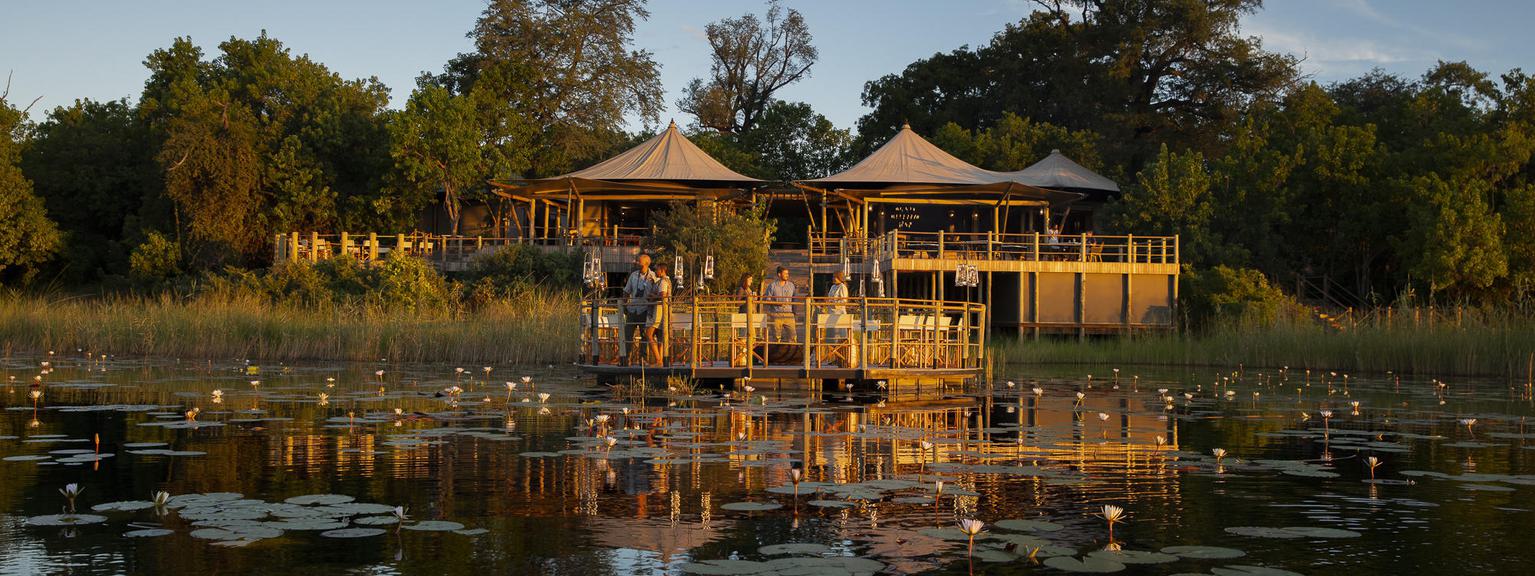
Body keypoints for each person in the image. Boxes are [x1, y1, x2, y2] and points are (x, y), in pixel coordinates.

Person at [620, 254, 656, 365]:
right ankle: (626, 359)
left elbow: (656, 292)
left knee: (644, 335)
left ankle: (642, 359)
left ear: (646, 263)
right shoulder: (633, 275)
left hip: (644, 309)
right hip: (632, 309)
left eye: (638, 261)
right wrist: (624, 304)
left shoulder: (653, 276)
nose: (636, 262)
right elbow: (627, 291)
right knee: (628, 334)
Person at [645, 263, 672, 366]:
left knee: (649, 334)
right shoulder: (664, 281)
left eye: (656, 270)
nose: (655, 272)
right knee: (660, 336)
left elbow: (663, 296)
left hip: (659, 311)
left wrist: (652, 295)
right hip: (660, 311)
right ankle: (659, 360)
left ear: (661, 270)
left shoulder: (663, 282)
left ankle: (658, 359)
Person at [762, 266, 797, 344]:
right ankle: (776, 354)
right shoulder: (772, 286)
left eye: (787, 273)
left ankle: (791, 354)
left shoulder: (791, 285)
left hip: (789, 314)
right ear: (779, 274)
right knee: (776, 338)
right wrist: (777, 303)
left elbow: (794, 299)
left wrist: (794, 312)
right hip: (776, 314)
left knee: (793, 336)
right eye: (785, 274)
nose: (787, 275)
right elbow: (767, 300)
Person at [824, 270, 850, 342]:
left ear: (839, 278)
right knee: (831, 334)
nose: (833, 278)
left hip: (839, 313)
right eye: (833, 277)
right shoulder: (833, 287)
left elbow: (844, 301)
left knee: (839, 334)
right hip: (831, 313)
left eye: (835, 277)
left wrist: (834, 303)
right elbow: (830, 297)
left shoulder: (842, 287)